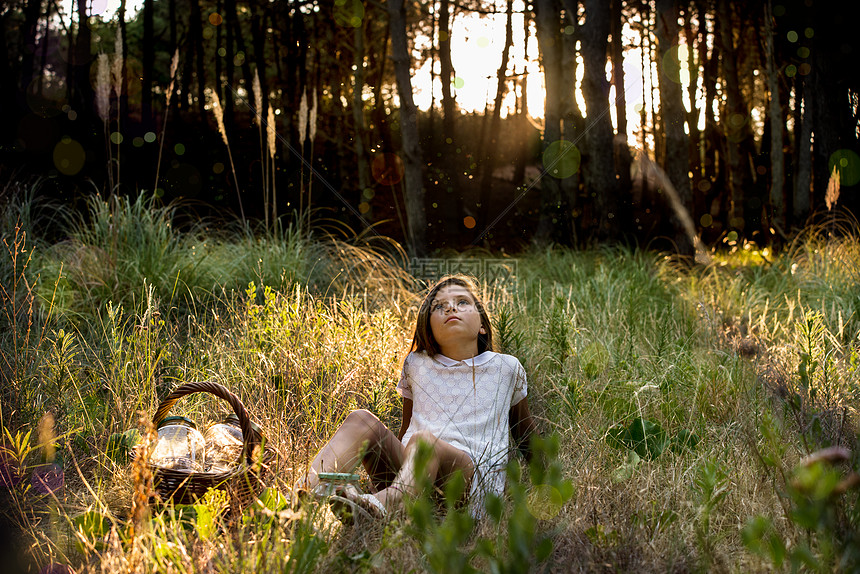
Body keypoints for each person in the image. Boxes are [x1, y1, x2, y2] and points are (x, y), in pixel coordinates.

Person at [293, 274, 538, 518]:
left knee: (424, 442)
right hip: (415, 472)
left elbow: (526, 438)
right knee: (361, 420)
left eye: (462, 302)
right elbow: (406, 430)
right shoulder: (416, 364)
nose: (451, 307)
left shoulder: (506, 367)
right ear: (429, 328)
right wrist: (392, 470)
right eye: (439, 306)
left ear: (482, 324)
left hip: (466, 485)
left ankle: (382, 503)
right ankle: (301, 497)